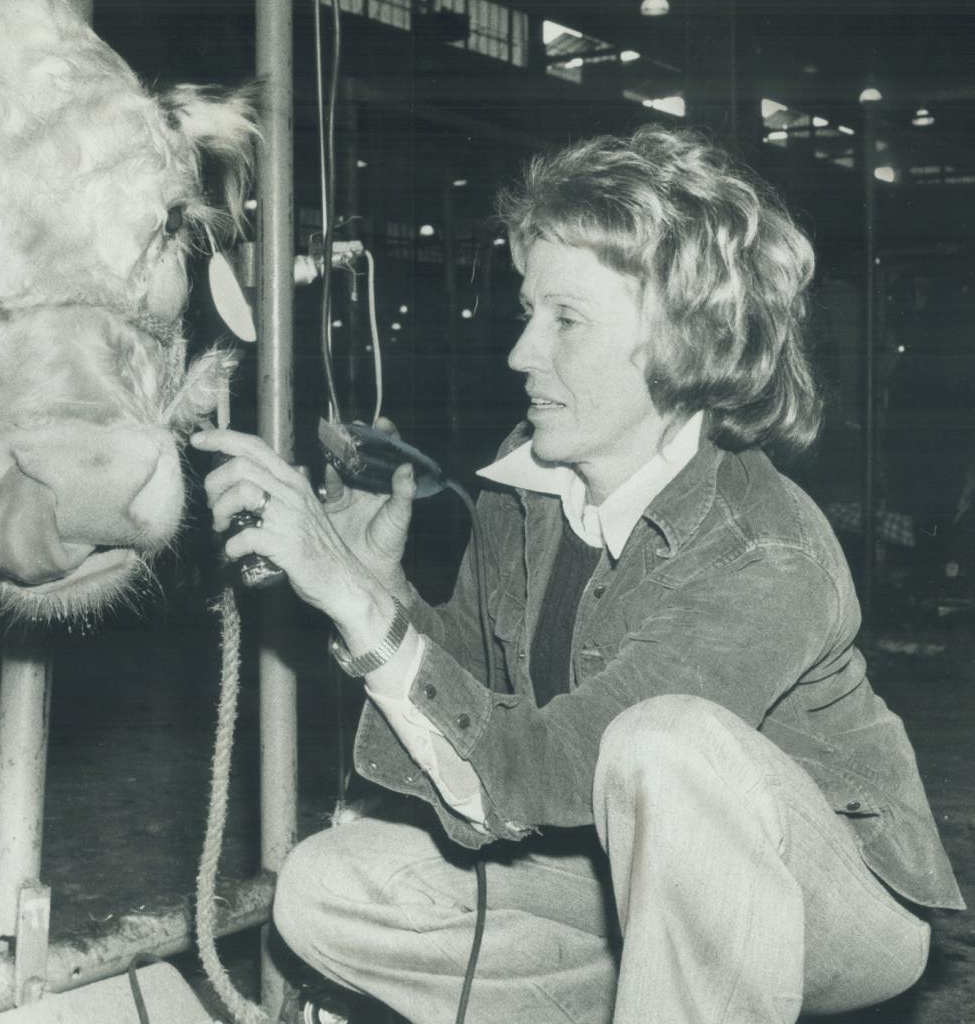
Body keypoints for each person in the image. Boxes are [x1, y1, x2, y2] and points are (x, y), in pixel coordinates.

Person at [190, 125, 963, 1024]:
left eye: (565, 319)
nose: (522, 352)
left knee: (665, 741)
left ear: (685, 337)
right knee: (329, 888)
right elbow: (482, 708)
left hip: (830, 906)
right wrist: (383, 588)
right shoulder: (530, 485)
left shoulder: (762, 551)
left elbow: (551, 766)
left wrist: (356, 602)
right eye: (529, 312)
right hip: (615, 866)